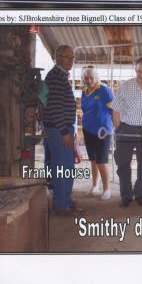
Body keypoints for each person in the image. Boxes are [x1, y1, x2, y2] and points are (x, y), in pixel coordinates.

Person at [43, 45, 82, 216]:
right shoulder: (55, 77)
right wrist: (65, 132)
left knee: (67, 168)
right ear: (57, 57)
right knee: (61, 168)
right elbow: (53, 107)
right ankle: (61, 206)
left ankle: (66, 200)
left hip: (62, 129)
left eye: (72, 58)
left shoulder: (60, 76)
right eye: (67, 57)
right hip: (59, 131)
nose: (71, 61)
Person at [112, 56, 142, 208]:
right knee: (123, 164)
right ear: (135, 70)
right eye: (138, 71)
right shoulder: (126, 86)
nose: (141, 75)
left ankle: (140, 194)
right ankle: (126, 195)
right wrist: (118, 129)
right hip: (126, 127)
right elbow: (115, 109)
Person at [79, 66, 114, 200]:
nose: (88, 80)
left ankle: (107, 189)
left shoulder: (104, 90)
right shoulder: (84, 92)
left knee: (101, 161)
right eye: (85, 78)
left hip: (103, 131)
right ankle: (95, 186)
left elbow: (114, 110)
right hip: (88, 130)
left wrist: (116, 126)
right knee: (93, 160)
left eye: (91, 78)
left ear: (96, 78)